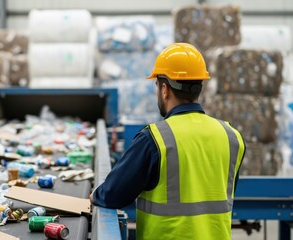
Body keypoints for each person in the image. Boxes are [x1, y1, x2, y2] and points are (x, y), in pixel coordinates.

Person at [89, 43, 246, 240]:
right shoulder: (232, 136)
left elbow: (113, 195)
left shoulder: (154, 138)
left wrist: (96, 195)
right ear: (199, 87)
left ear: (164, 89)